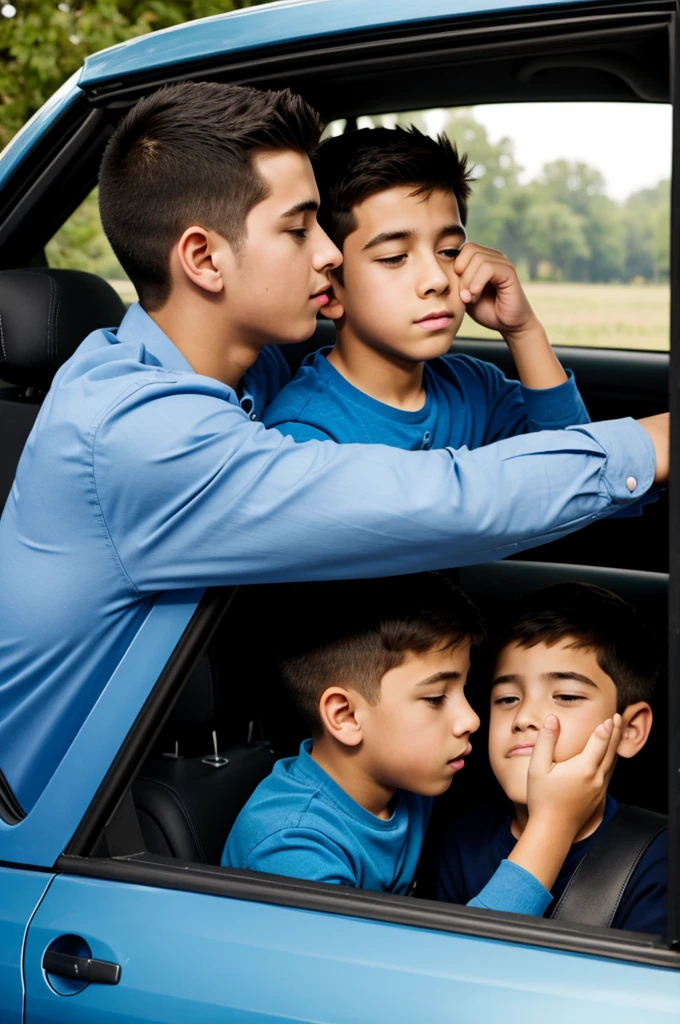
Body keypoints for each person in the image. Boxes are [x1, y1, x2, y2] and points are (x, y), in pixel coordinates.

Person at [0, 82, 666, 816]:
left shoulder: (223, 365)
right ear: (203, 258)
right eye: (299, 230)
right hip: (47, 844)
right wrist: (648, 443)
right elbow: (431, 498)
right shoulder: (141, 437)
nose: (328, 257)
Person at [223, 574, 622, 916]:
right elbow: (441, 972)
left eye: (464, 690)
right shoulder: (290, 846)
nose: (471, 719)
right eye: (435, 699)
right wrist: (553, 824)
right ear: (345, 716)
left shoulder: (405, 781)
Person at [263, 126, 590, 447]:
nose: (437, 279)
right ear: (330, 288)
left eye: (448, 251)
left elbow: (582, 474)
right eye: (394, 257)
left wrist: (523, 331)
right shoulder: (304, 436)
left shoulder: (475, 387)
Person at [437, 582, 667, 935]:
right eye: (507, 699)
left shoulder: (659, 859)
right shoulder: (462, 839)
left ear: (630, 730)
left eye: (566, 696)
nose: (525, 716)